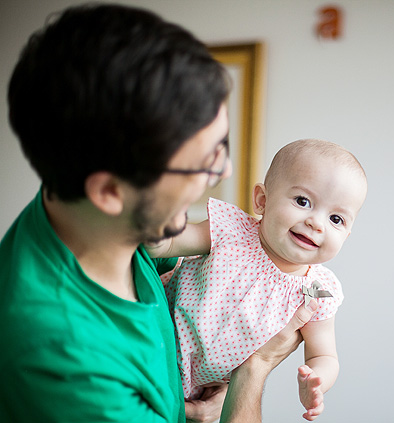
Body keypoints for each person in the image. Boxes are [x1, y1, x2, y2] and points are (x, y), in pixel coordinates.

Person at [0, 4, 316, 423]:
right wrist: (254, 370)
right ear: (110, 191)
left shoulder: (91, 207)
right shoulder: (70, 366)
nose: (225, 171)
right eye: (203, 161)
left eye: (223, 146)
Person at [148, 139, 368, 420]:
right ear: (262, 200)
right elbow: (169, 244)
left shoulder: (317, 292)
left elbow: (324, 355)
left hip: (201, 392)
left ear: (347, 236)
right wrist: (153, 232)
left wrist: (316, 381)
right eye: (303, 201)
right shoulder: (233, 231)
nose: (317, 223)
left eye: (336, 219)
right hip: (155, 340)